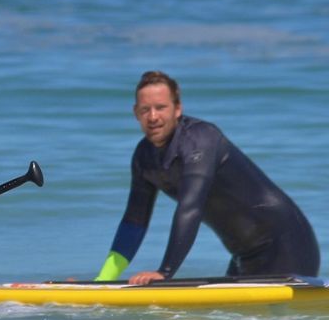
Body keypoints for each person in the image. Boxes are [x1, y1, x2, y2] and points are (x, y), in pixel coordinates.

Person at [96, 71, 319, 285]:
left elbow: (191, 208)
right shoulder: (144, 156)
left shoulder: (201, 139)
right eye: (145, 109)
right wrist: (103, 280)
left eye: (161, 107)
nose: (153, 117)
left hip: (286, 245)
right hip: (244, 254)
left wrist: (165, 272)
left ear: (177, 109)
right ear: (136, 113)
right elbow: (134, 222)